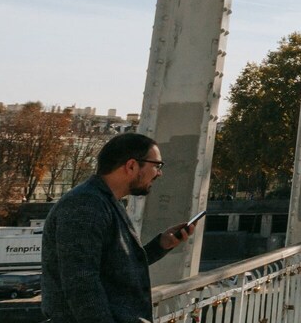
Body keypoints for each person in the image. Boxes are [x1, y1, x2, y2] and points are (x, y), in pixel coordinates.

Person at [42, 133, 198, 323]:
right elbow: (81, 284)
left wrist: (161, 245)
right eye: (156, 165)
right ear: (131, 165)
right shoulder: (85, 205)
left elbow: (113, 267)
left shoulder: (103, 201)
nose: (159, 173)